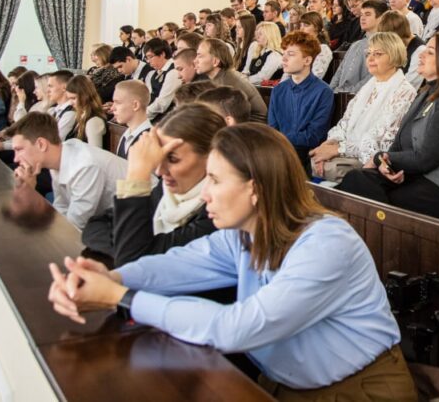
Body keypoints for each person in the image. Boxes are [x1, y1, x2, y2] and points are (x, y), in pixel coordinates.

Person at [46, 123, 417, 398]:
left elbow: (234, 328)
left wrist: (119, 297)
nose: (205, 194)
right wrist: (113, 277)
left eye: (215, 180)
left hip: (357, 392)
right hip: (283, 384)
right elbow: (173, 265)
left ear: (254, 188)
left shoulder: (326, 244)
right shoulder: (243, 235)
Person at [339, 33, 439, 224]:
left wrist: (380, 158)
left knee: (379, 198)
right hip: (422, 177)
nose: (421, 54)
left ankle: (379, 237)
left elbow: (427, 158)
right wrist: (386, 165)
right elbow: (399, 144)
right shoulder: (425, 93)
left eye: (430, 52)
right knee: (356, 179)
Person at [82, 104, 225, 267]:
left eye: (172, 159)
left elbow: (135, 258)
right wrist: (126, 247)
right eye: (158, 157)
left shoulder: (218, 213)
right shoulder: (165, 191)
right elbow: (95, 226)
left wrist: (137, 175)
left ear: (211, 158)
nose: (159, 170)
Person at [310, 33, 416, 183]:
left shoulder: (404, 91)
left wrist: (339, 150)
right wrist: (330, 144)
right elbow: (345, 123)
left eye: (377, 54)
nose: (370, 59)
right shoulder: (369, 85)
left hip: (371, 161)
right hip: (350, 151)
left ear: (394, 56)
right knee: (314, 160)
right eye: (368, 53)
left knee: (328, 168)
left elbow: (380, 142)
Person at [9, 112, 126, 230]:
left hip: (128, 226)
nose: (15, 159)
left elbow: (72, 227)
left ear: (41, 144)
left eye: (19, 149)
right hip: (110, 221)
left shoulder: (84, 166)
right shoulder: (58, 156)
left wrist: (30, 194)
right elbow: (61, 207)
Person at [267, 31, 335, 172]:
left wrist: (279, 138)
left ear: (307, 61)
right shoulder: (278, 90)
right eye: (284, 53)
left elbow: (314, 136)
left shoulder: (323, 92)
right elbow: (272, 127)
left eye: (291, 54)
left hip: (305, 154)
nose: (284, 58)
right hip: (279, 150)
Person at [193, 38, 268, 122]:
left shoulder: (228, 82)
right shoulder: (221, 76)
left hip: (251, 125)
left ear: (215, 62)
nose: (195, 60)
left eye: (200, 56)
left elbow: (231, 118)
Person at [329, 0, 389, 94]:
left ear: (381, 18)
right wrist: (331, 91)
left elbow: (373, 77)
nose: (362, 18)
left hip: (359, 96)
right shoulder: (356, 44)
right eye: (361, 14)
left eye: (367, 14)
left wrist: (348, 93)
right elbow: (339, 71)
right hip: (340, 94)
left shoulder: (385, 45)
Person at [109, 80, 152, 159]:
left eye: (118, 102)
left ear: (135, 105)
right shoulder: (126, 134)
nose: (112, 108)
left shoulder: (150, 141)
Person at [143, 38, 181, 122]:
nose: (148, 61)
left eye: (150, 57)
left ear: (162, 54)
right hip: (153, 116)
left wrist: (142, 115)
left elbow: (162, 104)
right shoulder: (154, 73)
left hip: (167, 119)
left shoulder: (173, 72)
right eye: (147, 58)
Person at [65, 75, 108, 149]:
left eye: (73, 98)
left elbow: (95, 152)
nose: (70, 103)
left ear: (85, 96)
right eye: (69, 98)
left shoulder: (94, 121)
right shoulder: (81, 116)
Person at [297, 12, 334, 81]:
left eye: (306, 25)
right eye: (300, 25)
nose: (301, 29)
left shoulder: (323, 49)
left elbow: (315, 77)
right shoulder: (301, 47)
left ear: (316, 28)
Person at [46, 70, 77, 142]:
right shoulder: (52, 110)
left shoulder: (70, 113)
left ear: (64, 87)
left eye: (51, 86)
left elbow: (54, 141)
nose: (47, 90)